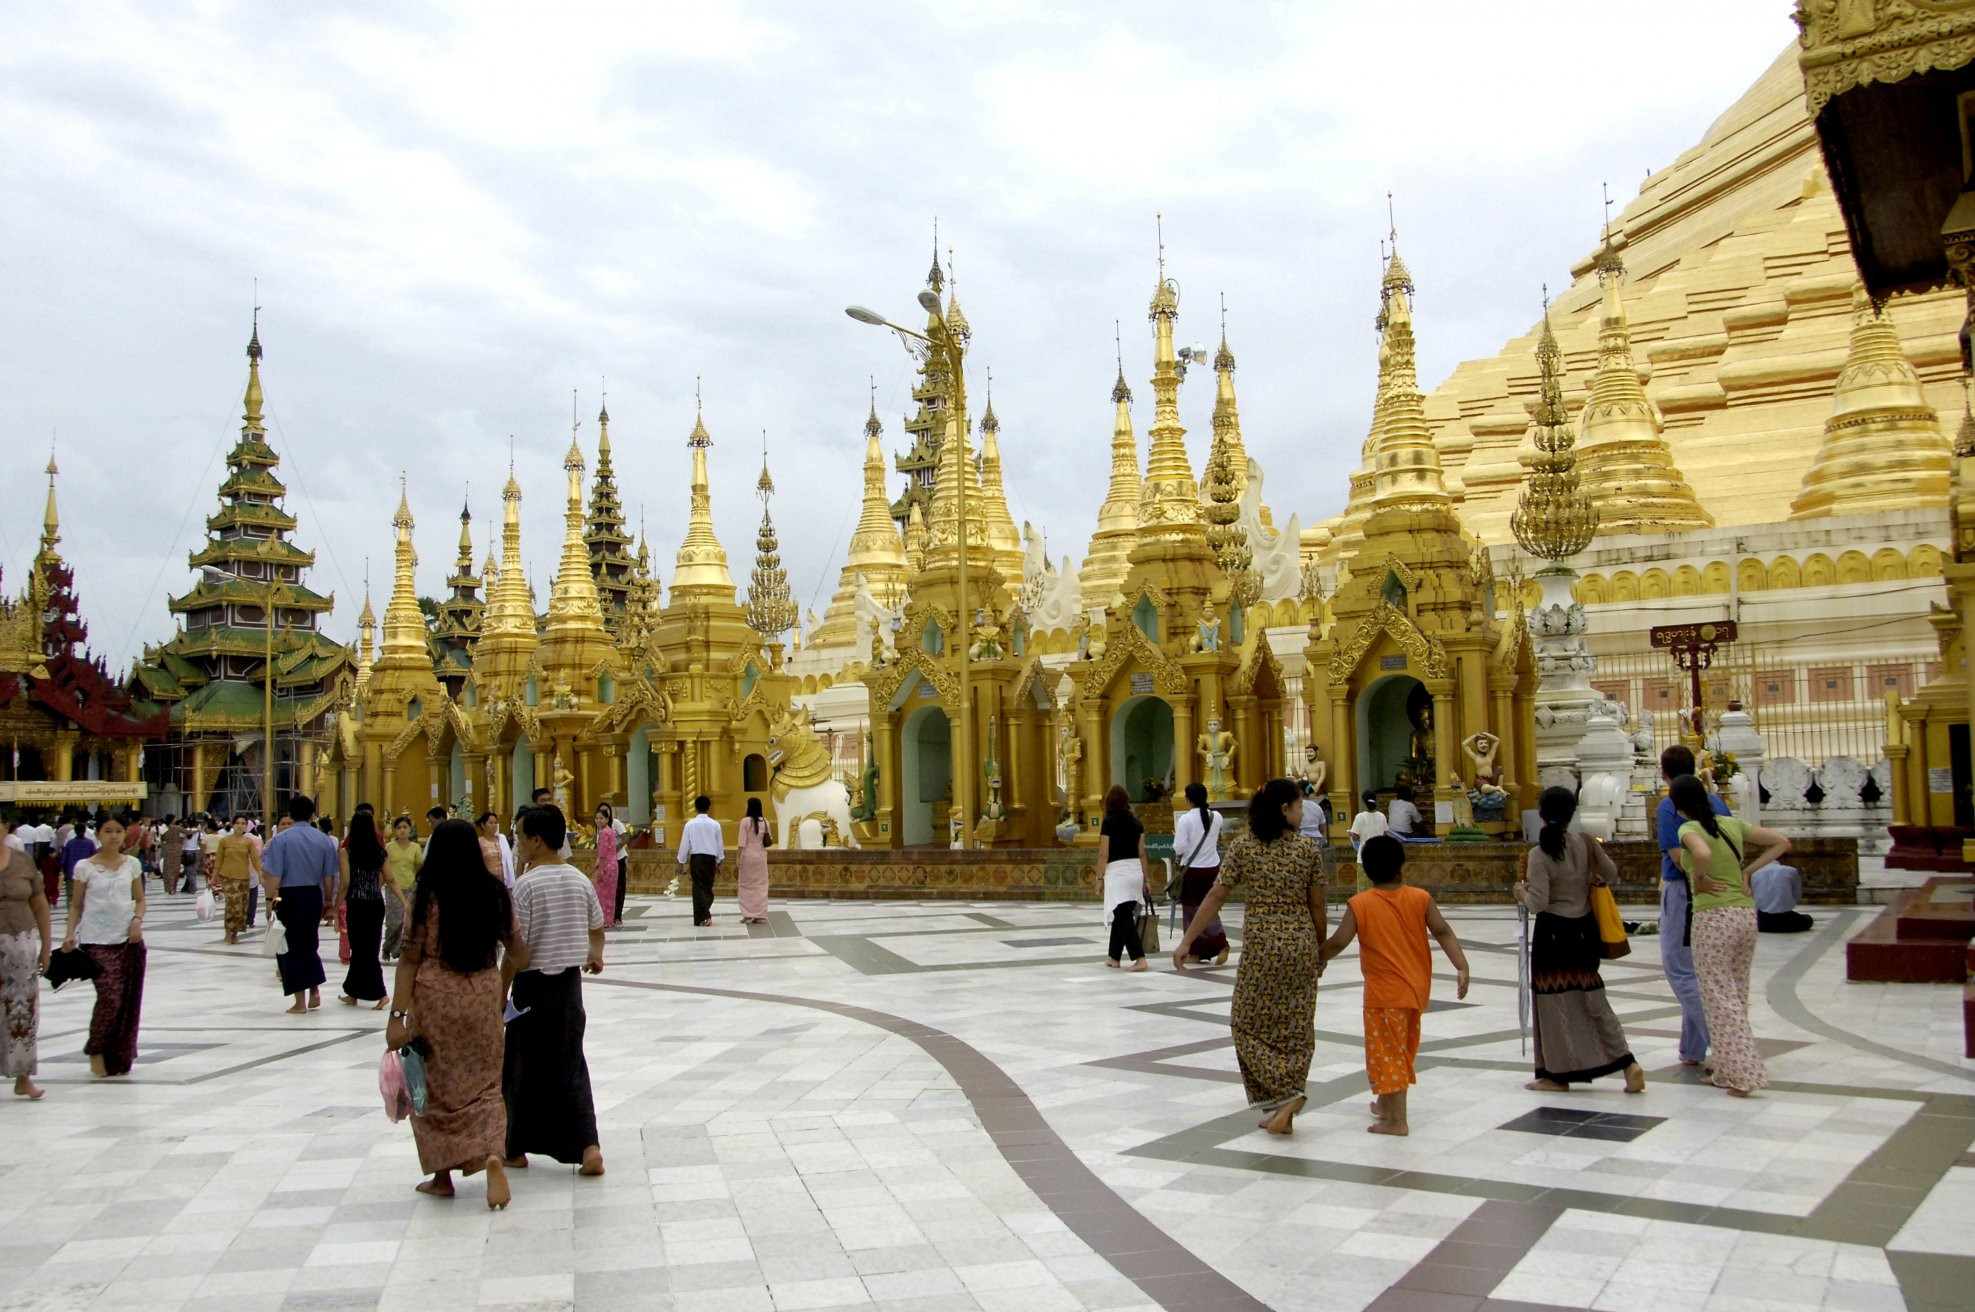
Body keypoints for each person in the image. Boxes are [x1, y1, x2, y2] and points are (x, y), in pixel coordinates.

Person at [1173, 778, 1327, 1135]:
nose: (1302, 813)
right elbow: (1318, 907)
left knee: (1246, 1023)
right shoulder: (1308, 850)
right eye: (1299, 807)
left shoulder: (1244, 847)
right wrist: (1320, 950)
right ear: (1284, 809)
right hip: (1300, 946)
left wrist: (1187, 941)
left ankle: (1286, 1098)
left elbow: (1216, 895)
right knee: (1296, 1026)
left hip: (1262, 950)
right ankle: (1287, 1101)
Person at [386, 818, 518, 1208]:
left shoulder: (426, 897)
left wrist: (396, 1016)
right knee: (486, 1084)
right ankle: (491, 1154)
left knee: (433, 1085)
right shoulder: (493, 893)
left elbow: (409, 958)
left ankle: (442, 1177)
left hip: (435, 1001)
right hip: (482, 997)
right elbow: (518, 950)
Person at [1321, 835, 1470, 1137]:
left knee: (1387, 1054)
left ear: (1367, 871)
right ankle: (1385, 1103)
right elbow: (1443, 930)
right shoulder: (1420, 898)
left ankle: (1397, 1120)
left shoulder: (1360, 904)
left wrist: (1317, 958)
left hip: (1383, 994)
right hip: (1415, 991)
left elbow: (1338, 941)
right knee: (1401, 1049)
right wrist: (1462, 965)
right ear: (1402, 868)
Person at [1515, 787, 1644, 1094]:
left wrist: (1520, 892)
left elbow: (1538, 903)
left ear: (1542, 815)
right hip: (1584, 930)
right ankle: (1628, 1063)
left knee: (1554, 1003)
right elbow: (1610, 874)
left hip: (1553, 934)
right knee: (1593, 997)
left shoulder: (1539, 854)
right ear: (1571, 813)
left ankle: (1557, 1074)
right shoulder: (1586, 843)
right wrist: (1589, 878)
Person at [502, 805, 605, 1176]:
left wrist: (500, 992)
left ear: (536, 840)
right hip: (569, 988)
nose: (517, 843)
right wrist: (595, 955)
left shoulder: (527, 885)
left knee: (519, 1068)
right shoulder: (579, 879)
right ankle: (589, 1147)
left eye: (519, 836)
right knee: (571, 1065)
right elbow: (597, 927)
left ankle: (514, 1148)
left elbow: (517, 950)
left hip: (532, 988)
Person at [1671, 774, 1790, 1098]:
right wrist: (1748, 871)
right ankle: (1726, 1068)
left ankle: (1744, 1075)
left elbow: (1701, 854)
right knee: (1735, 995)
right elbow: (1782, 842)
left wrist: (1699, 878)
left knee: (1719, 999)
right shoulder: (1731, 824)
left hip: (1713, 918)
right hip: (1744, 915)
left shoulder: (1688, 828)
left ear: (1678, 805)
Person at [1655, 745, 1726, 1070]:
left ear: (1664, 773)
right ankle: (1692, 1049)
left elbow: (1677, 857)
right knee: (1698, 970)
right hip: (1719, 891)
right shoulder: (1717, 803)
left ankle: (1725, 1043)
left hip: (1686, 890)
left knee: (1680, 971)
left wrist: (1699, 879)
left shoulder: (1669, 806)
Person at [62, 815, 146, 1078]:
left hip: (127, 940)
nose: (114, 836)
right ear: (98, 833)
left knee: (126, 1000)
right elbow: (76, 905)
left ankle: (117, 1054)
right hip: (95, 940)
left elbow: (140, 900)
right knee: (110, 996)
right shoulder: (85, 867)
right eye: (108, 831)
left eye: (118, 831)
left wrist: (137, 920)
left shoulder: (131, 864)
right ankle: (96, 1050)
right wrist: (69, 934)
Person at [261, 794, 339, 1014]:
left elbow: (274, 875)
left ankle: (300, 1001)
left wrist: (269, 900)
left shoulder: (282, 840)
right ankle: (314, 989)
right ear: (312, 814)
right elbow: (329, 876)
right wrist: (328, 900)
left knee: (291, 947)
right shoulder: (323, 840)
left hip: (289, 896)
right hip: (313, 894)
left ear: (291, 814)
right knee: (309, 943)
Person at [2, 817, 52, 1098]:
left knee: (21, 1011)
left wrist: (46, 947)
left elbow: (40, 904)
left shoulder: (22, 861)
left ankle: (23, 1076)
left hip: (20, 944)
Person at [336, 811, 389, 1009]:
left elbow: (345, 883)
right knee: (367, 948)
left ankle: (381, 993)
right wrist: (404, 901)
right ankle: (353, 992)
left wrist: (335, 906)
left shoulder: (347, 852)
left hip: (357, 904)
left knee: (361, 949)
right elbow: (390, 878)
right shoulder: (380, 852)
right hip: (375, 904)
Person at [1096, 785, 1152, 971]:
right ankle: (1114, 956)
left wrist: (1099, 878)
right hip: (1134, 872)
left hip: (1117, 873)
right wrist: (1146, 879)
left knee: (1123, 915)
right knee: (1121, 912)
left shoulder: (1108, 823)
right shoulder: (1137, 824)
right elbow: (1142, 854)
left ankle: (1140, 958)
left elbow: (1104, 854)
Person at [1172, 783, 1228, 965]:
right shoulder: (1216, 817)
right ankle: (1200, 951)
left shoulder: (1185, 819)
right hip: (1213, 868)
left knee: (1192, 910)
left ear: (1188, 799)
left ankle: (1219, 943)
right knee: (1210, 906)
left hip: (1193, 870)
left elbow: (1179, 847)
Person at [215, 815, 263, 945]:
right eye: (237, 823)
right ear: (233, 824)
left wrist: (260, 875)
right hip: (228, 877)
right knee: (232, 905)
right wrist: (213, 879)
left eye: (243, 823)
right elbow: (218, 861)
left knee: (241, 907)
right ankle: (228, 931)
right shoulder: (224, 841)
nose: (240, 825)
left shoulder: (248, 842)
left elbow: (255, 860)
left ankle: (235, 933)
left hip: (243, 878)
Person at [677, 796, 723, 928]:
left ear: (696, 808)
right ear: (709, 807)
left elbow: (684, 844)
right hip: (710, 859)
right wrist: (719, 861)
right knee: (707, 887)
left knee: (699, 887)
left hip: (697, 859)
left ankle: (704, 916)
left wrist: (681, 861)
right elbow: (719, 845)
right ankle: (703, 916)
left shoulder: (690, 825)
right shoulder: (715, 825)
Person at [383, 816, 420, 960]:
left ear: (410, 829)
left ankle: (399, 950)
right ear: (395, 830)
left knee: (406, 920)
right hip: (393, 888)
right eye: (399, 828)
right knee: (394, 921)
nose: (402, 830)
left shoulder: (415, 847)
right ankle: (387, 947)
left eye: (405, 827)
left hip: (410, 887)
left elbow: (418, 867)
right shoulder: (389, 847)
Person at [735, 798, 770, 925]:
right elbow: (768, 839)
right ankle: (759, 914)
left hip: (748, 857)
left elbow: (741, 842)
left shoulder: (744, 822)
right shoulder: (765, 821)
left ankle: (747, 913)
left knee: (745, 885)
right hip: (761, 857)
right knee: (761, 885)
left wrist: (737, 857)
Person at [592, 804, 621, 927]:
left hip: (606, 866)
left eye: (601, 818)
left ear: (607, 819)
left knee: (603, 894)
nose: (599, 820)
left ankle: (605, 919)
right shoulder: (610, 831)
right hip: (613, 865)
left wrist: (600, 869)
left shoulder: (604, 833)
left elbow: (603, 853)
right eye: (597, 818)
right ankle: (609, 919)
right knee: (610, 893)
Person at [59, 820, 98, 906]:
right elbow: (94, 858)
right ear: (84, 831)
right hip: (87, 873)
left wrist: (62, 870)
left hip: (71, 872)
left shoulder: (69, 843)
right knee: (86, 895)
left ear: (75, 831)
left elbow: (64, 859)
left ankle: (71, 910)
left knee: (71, 895)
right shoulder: (90, 843)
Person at [477, 811, 515, 887]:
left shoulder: (502, 840)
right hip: (487, 880)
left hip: (503, 881)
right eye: (491, 823)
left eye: (495, 823)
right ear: (483, 825)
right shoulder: (479, 842)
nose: (494, 825)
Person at [160, 816, 184, 896]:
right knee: (176, 869)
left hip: (168, 850)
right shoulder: (177, 828)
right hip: (176, 850)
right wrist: (198, 830)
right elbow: (187, 833)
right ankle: (173, 887)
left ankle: (170, 888)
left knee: (168, 869)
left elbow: (162, 839)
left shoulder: (164, 828)